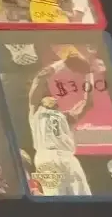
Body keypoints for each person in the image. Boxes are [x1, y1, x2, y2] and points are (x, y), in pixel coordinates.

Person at [28, 53, 95, 195]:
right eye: (46, 95)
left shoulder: (66, 116)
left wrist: (89, 74)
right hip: (46, 158)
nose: (50, 96)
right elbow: (40, 77)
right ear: (41, 99)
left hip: (68, 157)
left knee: (83, 197)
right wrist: (64, 63)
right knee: (55, 198)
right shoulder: (35, 111)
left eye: (51, 95)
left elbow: (88, 103)